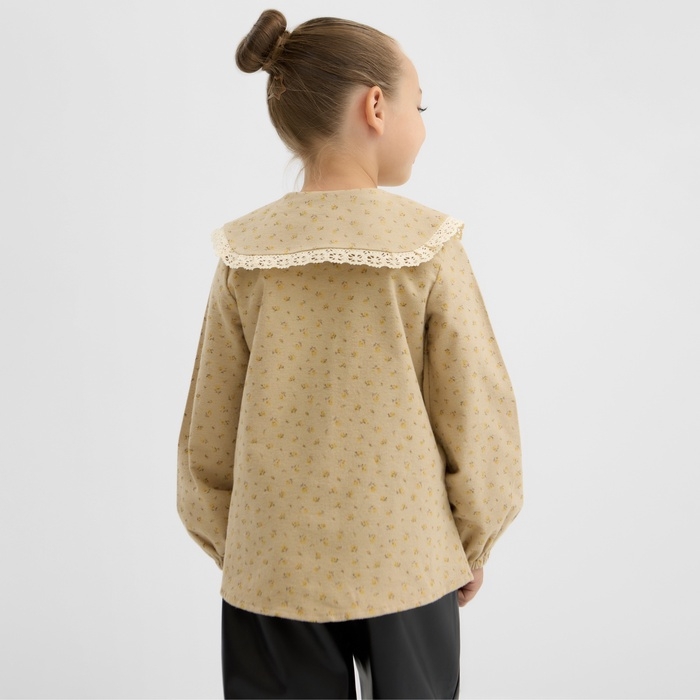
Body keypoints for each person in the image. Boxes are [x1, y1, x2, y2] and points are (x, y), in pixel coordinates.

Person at [177, 9, 523, 699]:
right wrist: (471, 537)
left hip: (274, 565)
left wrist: (242, 547)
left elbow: (207, 433)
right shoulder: (428, 245)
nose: (422, 123)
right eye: (418, 105)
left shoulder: (246, 253)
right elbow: (476, 412)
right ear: (376, 106)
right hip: (408, 556)